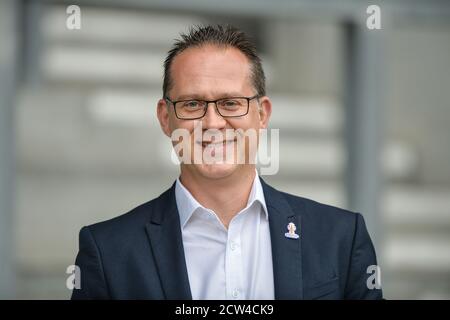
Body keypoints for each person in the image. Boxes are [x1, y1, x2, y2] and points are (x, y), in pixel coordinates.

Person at [71, 24, 382, 300]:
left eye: (230, 103)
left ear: (262, 114)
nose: (213, 122)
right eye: (192, 104)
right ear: (166, 118)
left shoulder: (340, 237)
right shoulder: (107, 251)